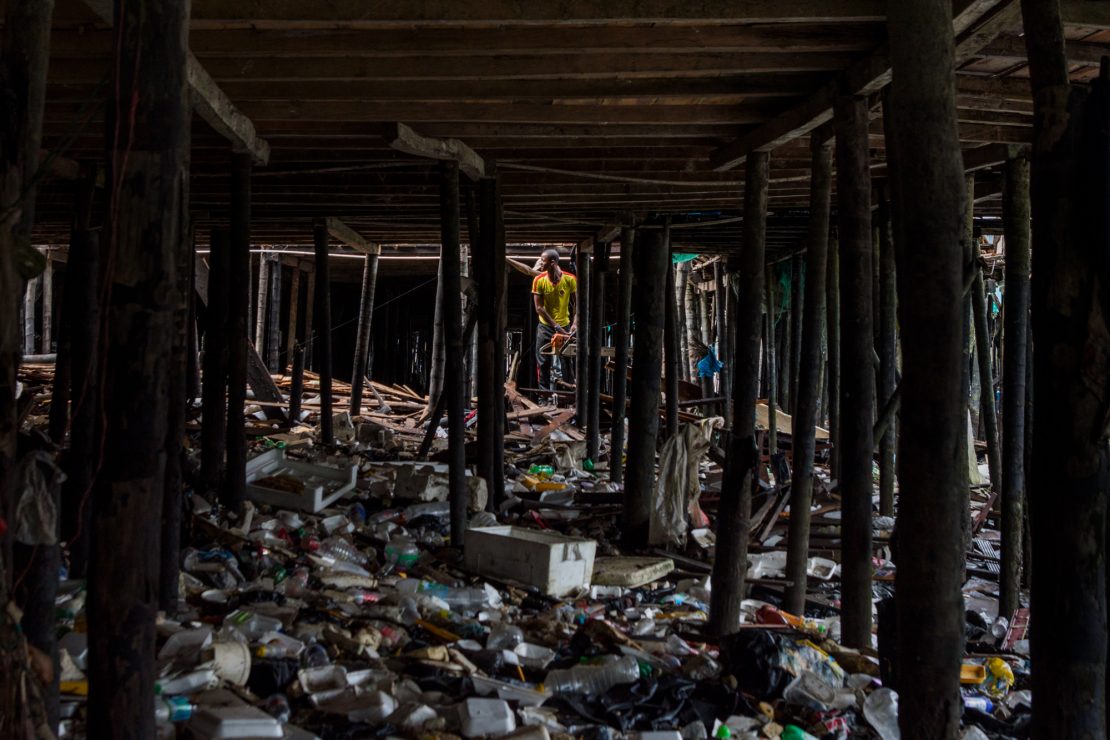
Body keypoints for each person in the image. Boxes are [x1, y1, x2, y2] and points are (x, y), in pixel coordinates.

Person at [532, 248, 578, 392]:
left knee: (566, 361)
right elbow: (539, 308)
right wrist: (555, 326)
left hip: (565, 326)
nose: (540, 265)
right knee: (542, 360)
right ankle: (543, 396)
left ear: (553, 263)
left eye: (543, 261)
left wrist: (575, 323)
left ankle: (570, 395)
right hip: (545, 326)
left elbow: (579, 305)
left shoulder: (570, 279)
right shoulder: (539, 280)